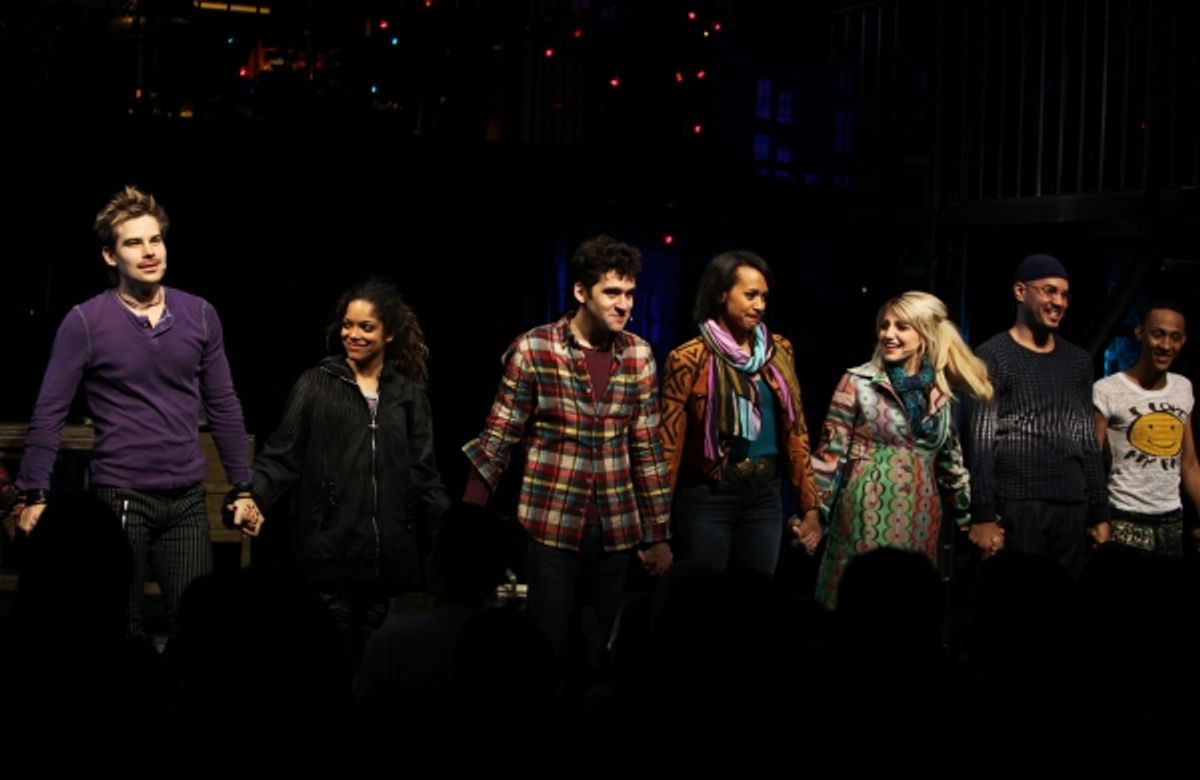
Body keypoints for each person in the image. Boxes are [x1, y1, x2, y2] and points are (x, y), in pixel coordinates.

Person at [15, 185, 261, 638]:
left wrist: (242, 486)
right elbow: (50, 410)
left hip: (187, 497)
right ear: (111, 256)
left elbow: (224, 404)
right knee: (118, 629)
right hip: (121, 498)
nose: (149, 252)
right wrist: (34, 494)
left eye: (155, 240)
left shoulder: (199, 314)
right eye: (134, 243)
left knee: (198, 628)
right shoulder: (86, 321)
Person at [462, 235, 673, 685]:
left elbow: (648, 450)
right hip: (551, 524)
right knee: (547, 648)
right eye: (611, 293)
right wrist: (468, 517)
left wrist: (658, 534)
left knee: (612, 653)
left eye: (630, 294)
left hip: (616, 528)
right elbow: (500, 435)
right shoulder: (535, 349)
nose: (624, 305)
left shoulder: (637, 354)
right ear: (581, 292)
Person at [251, 278, 449, 660]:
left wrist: (451, 530)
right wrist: (253, 495)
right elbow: (282, 454)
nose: (352, 334)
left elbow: (424, 472)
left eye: (365, 327)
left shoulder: (407, 393)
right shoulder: (315, 385)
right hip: (329, 547)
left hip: (385, 553)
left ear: (388, 333)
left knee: (370, 649)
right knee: (332, 650)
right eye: (347, 325)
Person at [812, 291, 993, 606]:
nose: (889, 334)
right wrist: (814, 515)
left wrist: (975, 521)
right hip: (864, 516)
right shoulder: (858, 382)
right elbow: (830, 457)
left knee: (907, 611)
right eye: (885, 325)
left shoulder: (940, 395)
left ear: (923, 336)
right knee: (863, 604)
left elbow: (950, 467)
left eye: (901, 327)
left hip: (920, 521)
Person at [659, 250, 821, 575]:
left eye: (763, 296)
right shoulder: (689, 358)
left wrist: (810, 507)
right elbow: (668, 447)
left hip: (765, 497)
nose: (759, 305)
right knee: (705, 602)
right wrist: (656, 532)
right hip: (709, 497)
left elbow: (797, 432)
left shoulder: (780, 351)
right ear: (721, 293)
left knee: (754, 605)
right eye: (750, 295)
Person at [962, 254, 1111, 577]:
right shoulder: (992, 355)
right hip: (1018, 503)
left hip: (1072, 505)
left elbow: (1087, 440)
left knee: (1068, 609)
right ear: (1020, 292)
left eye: (1065, 294)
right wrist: (983, 513)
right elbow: (981, 440)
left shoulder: (1078, 362)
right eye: (1049, 291)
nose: (1060, 302)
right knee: (1021, 608)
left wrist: (1100, 511)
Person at [1093, 301, 1200, 557]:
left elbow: (1190, 464)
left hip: (1172, 521)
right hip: (1125, 518)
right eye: (1158, 334)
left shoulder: (1183, 387)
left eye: (1175, 337)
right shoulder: (1107, 390)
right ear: (1140, 333)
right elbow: (1092, 462)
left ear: (1183, 341)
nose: (1165, 346)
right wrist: (1099, 520)